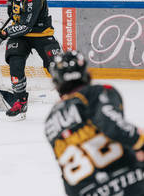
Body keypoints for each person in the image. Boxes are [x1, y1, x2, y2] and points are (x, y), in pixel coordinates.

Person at [45, 50, 144, 196]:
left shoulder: (49, 121)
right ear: (85, 72)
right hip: (128, 182)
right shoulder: (97, 92)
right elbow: (113, 127)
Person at [0, 0, 61, 121]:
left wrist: (3, 34)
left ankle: (69, 96)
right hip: (21, 36)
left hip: (41, 33)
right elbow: (12, 14)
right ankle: (21, 101)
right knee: (15, 63)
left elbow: (26, 25)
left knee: (55, 65)